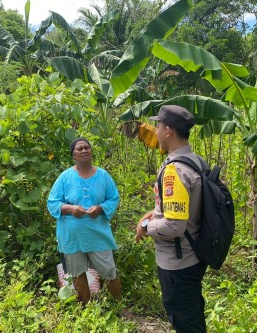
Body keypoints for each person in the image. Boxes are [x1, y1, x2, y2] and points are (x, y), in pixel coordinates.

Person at [135, 105, 207, 333]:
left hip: (178, 262)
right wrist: (155, 212)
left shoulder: (175, 171)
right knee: (193, 313)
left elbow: (174, 225)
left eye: (157, 126)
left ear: (168, 131)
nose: (154, 131)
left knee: (184, 320)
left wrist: (147, 225)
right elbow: (185, 207)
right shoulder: (196, 160)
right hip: (195, 252)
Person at [47, 138, 122, 305]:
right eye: (79, 149)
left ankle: (119, 306)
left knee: (109, 270)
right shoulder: (65, 177)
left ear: (91, 151)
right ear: (73, 155)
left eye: (86, 147)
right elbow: (52, 202)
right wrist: (70, 209)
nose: (84, 151)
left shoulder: (103, 176)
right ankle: (86, 307)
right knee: (77, 272)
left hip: (97, 234)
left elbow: (114, 198)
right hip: (72, 236)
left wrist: (100, 208)